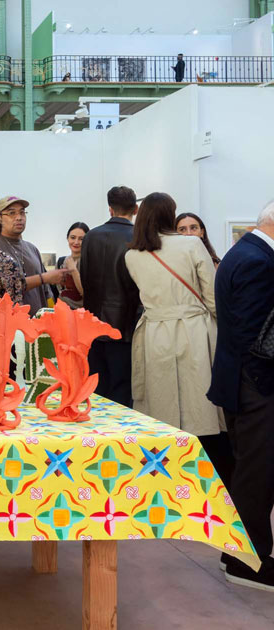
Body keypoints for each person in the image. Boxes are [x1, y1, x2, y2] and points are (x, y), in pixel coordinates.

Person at [125, 191, 228, 472]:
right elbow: (213, 295)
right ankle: (205, 470)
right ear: (170, 215)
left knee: (161, 405)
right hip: (193, 330)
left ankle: (165, 468)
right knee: (201, 406)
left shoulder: (132, 255)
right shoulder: (192, 244)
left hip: (154, 332)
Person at [208, 199, 274, 590]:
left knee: (251, 469)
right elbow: (255, 337)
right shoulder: (258, 261)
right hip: (256, 385)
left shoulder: (245, 252)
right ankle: (247, 562)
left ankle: (236, 552)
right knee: (256, 473)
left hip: (244, 383)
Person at [80, 186, 142, 407]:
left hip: (94, 324)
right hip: (125, 326)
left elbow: (84, 278)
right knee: (122, 390)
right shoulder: (137, 237)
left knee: (97, 389)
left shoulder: (90, 237)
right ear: (135, 208)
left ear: (110, 209)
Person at [0, 196, 65, 315]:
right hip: (8, 326)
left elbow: (46, 291)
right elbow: (3, 287)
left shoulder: (32, 248)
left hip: (36, 326)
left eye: (22, 212)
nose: (19, 218)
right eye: (12, 213)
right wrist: (45, 277)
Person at [56, 222, 88, 308]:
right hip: (62, 310)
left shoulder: (89, 263)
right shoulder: (61, 261)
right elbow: (58, 290)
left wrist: (73, 270)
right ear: (67, 238)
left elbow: (87, 294)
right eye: (73, 238)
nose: (76, 242)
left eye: (81, 239)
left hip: (81, 313)